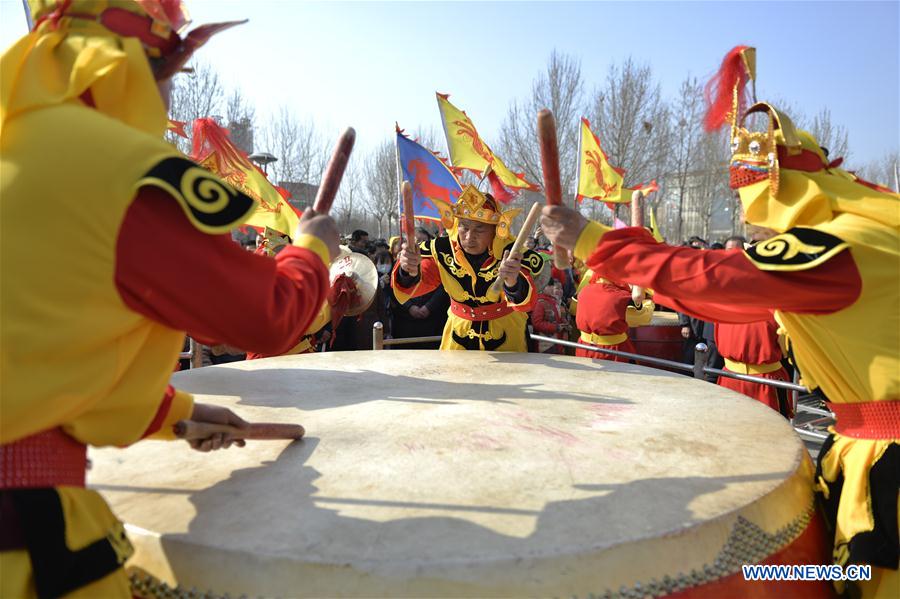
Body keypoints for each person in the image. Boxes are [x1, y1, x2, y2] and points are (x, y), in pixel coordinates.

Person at [0, 2, 340, 597]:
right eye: (172, 77)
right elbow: (267, 316)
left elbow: (40, 353)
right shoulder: (119, 173)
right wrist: (311, 248)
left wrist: (174, 416)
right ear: (136, 70)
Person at [540, 46, 898, 597]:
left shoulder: (842, 247)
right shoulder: (869, 232)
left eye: (755, 209)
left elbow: (715, 281)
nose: (754, 226)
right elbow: (720, 294)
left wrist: (592, 240)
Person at [393, 184, 543, 351]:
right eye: (464, 227)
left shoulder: (512, 252)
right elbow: (419, 283)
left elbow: (526, 304)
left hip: (506, 334)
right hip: (458, 334)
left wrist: (512, 281)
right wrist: (408, 270)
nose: (469, 237)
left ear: (495, 230)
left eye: (479, 229)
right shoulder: (441, 249)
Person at [531, 278, 569, 353]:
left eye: (552, 285)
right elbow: (537, 323)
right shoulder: (539, 302)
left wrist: (564, 325)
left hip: (556, 342)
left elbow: (558, 318)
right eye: (549, 286)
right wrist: (556, 327)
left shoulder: (554, 301)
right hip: (545, 345)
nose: (552, 287)